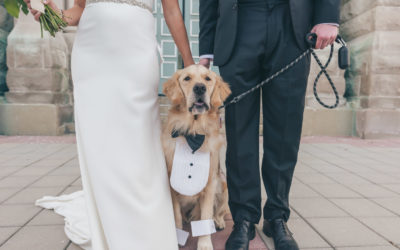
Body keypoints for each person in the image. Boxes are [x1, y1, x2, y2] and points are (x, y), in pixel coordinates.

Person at [25, 0, 194, 249]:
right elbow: (80, 9)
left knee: (140, 143)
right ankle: (110, 224)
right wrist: (53, 15)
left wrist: (189, 64)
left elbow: (171, 10)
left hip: (136, 53)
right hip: (92, 57)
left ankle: (148, 224)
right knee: (100, 144)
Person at [199, 0, 340, 249]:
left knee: (286, 129)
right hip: (239, 22)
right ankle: (244, 218)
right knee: (239, 130)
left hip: (291, 22)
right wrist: (206, 48)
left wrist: (328, 16)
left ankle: (277, 215)